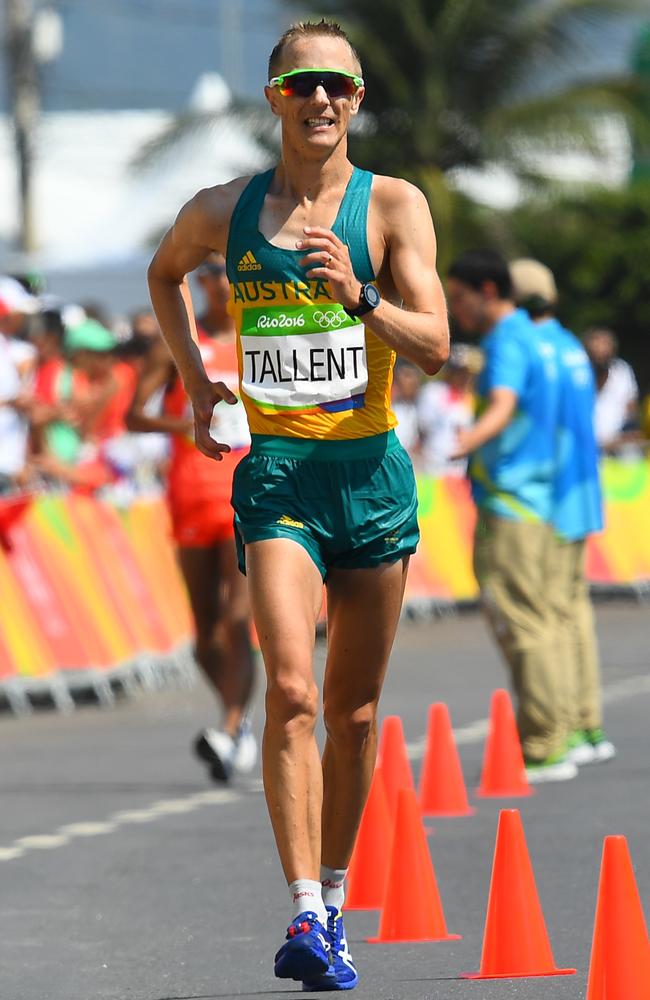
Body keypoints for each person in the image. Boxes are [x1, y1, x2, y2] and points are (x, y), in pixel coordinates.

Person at [147, 18, 448, 991]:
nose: (321, 100)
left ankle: (336, 890)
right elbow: (162, 275)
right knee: (293, 689)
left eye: (339, 87)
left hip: (369, 476)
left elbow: (437, 343)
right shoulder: (222, 210)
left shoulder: (392, 206)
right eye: (302, 84)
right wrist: (197, 381)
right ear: (274, 99)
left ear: (358, 101)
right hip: (275, 474)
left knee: (354, 714)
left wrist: (360, 297)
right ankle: (305, 916)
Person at [447, 249, 577, 784]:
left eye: (458, 298)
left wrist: (463, 441)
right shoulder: (539, 338)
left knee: (522, 623)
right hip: (541, 497)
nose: (455, 310)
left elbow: (500, 404)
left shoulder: (505, 341)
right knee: (543, 621)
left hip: (512, 500)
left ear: (490, 292)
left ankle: (546, 744)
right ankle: (558, 732)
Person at [127, 254, 256, 781]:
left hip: (247, 495)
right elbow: (132, 414)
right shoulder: (178, 344)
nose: (217, 283)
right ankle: (239, 718)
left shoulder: (260, 341)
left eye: (227, 273)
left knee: (237, 620)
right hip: (189, 497)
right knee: (205, 635)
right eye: (208, 275)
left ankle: (227, 728)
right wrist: (180, 422)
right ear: (198, 284)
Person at [511, 259, 615, 767]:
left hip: (547, 497)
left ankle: (558, 733)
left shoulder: (529, 349)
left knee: (545, 617)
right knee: (573, 614)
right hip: (581, 491)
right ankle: (585, 723)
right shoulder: (571, 347)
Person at [417, 343, 479, 477]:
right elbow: (423, 427)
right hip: (431, 467)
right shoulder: (433, 392)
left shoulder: (472, 398)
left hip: (458, 471)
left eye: (468, 374)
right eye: (461, 372)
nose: (465, 378)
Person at [582, 327, 641, 456]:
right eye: (596, 347)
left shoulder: (622, 371)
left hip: (617, 445)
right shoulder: (578, 373)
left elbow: (631, 406)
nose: (601, 351)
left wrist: (628, 431)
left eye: (606, 345)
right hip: (583, 444)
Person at [391, 357, 422, 455]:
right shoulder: (390, 406)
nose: (411, 382)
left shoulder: (418, 407)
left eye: (413, 376)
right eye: (407, 375)